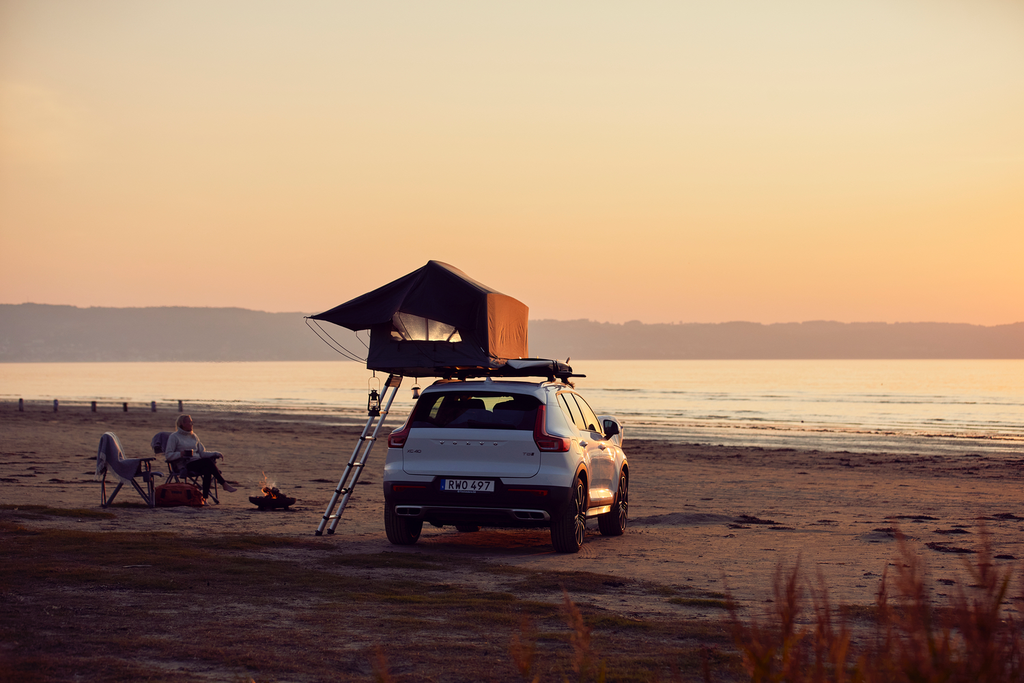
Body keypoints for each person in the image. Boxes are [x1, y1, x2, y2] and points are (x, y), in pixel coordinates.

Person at [164, 414, 237, 498]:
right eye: (190, 422)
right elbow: (168, 455)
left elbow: (202, 453)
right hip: (184, 465)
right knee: (207, 462)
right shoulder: (174, 437)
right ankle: (224, 484)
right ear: (182, 424)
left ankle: (204, 498)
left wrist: (215, 453)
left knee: (207, 470)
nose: (192, 424)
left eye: (192, 422)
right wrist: (181, 454)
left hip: (197, 463)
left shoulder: (193, 436)